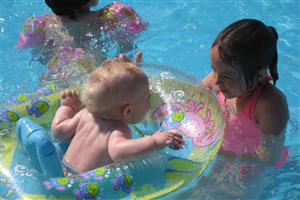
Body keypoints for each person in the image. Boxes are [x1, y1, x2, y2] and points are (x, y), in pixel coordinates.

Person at [51, 58, 183, 175]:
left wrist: (67, 108)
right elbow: (118, 152)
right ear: (128, 111)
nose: (149, 103)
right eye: (147, 98)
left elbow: (58, 132)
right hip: (82, 185)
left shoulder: (84, 114)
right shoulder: (117, 130)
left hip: (63, 171)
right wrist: (155, 141)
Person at [202, 19, 289, 163]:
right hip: (224, 151)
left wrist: (215, 149)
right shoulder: (220, 79)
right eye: (214, 70)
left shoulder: (270, 105)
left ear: (259, 76)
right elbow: (194, 95)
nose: (216, 81)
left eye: (227, 76)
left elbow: (268, 157)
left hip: (251, 168)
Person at [17, 0, 147, 82]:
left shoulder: (37, 25)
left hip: (56, 76)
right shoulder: (115, 15)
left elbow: (36, 54)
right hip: (97, 79)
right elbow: (131, 41)